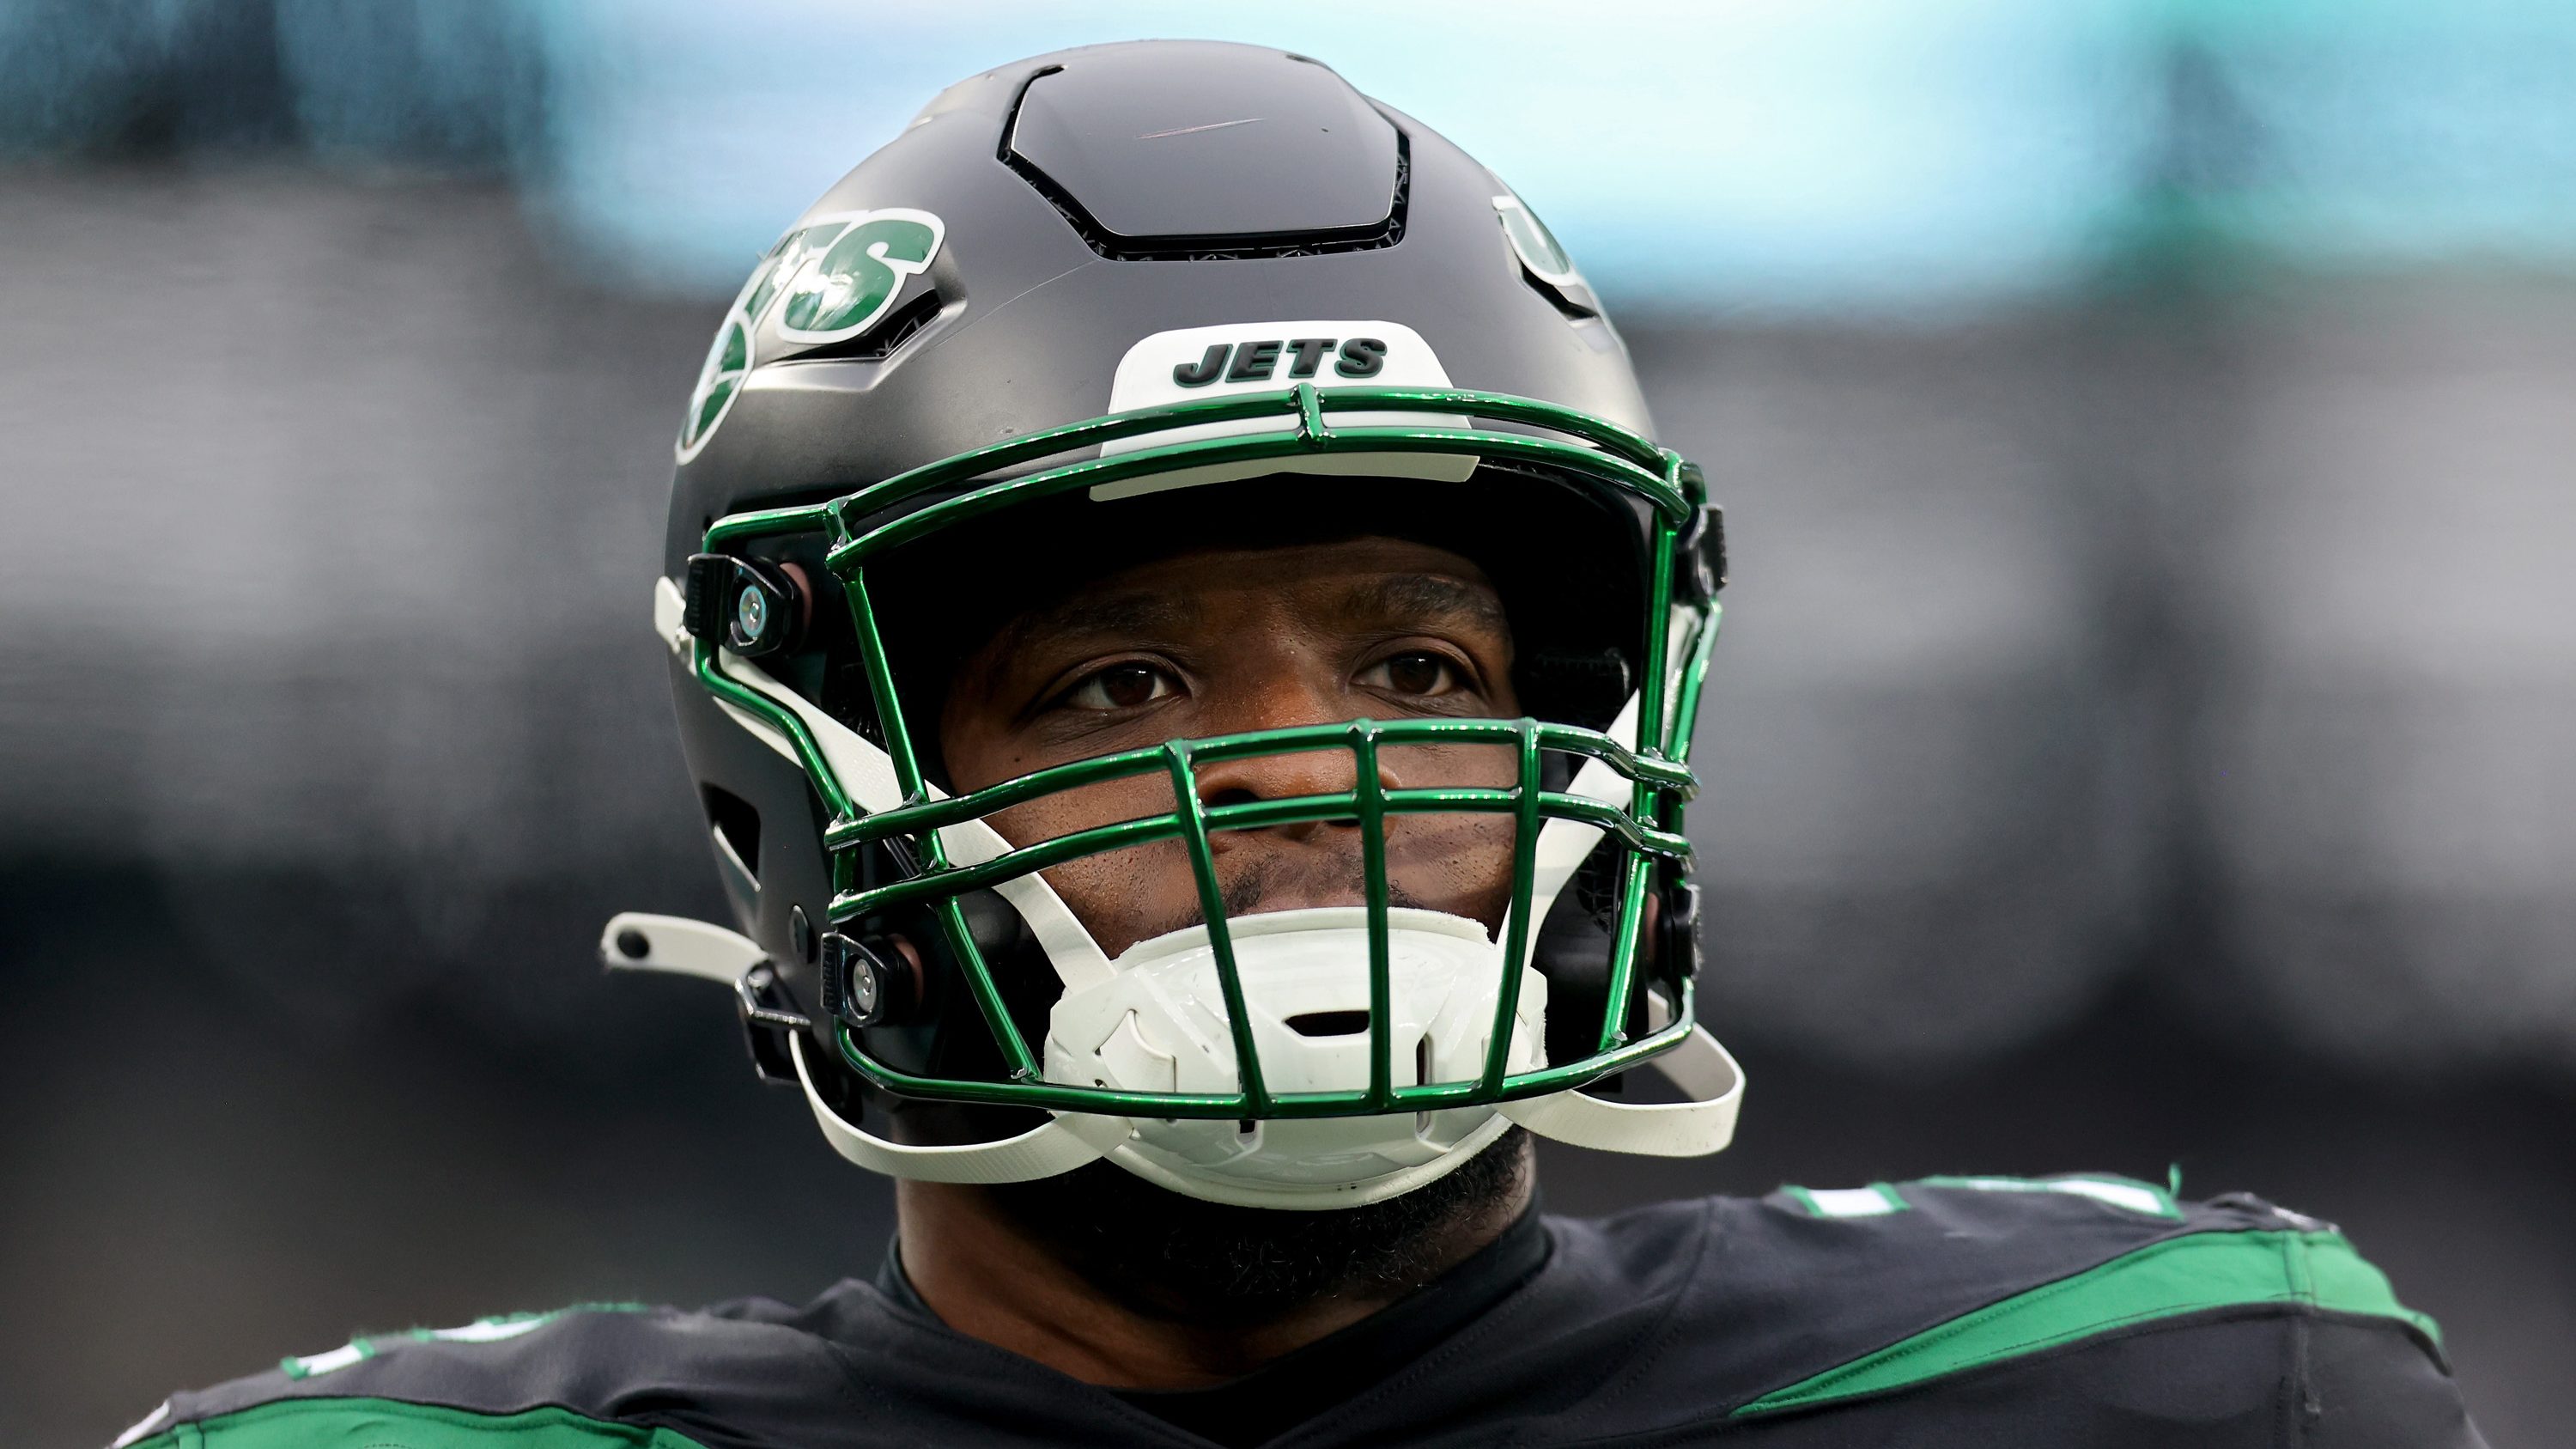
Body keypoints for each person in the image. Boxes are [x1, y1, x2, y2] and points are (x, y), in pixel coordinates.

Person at [121, 40, 2482, 1449]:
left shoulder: (2171, 1391)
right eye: (1118, 683)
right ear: (807, 786)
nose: (1296, 772)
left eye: (1422, 669)